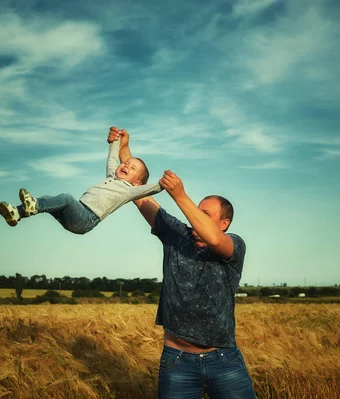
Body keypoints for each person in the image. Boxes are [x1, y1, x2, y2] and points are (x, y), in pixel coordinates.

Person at [108, 129, 256, 399]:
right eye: (195, 211)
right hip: (177, 363)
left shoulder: (233, 245)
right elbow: (138, 193)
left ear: (224, 224)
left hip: (224, 361)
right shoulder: (176, 236)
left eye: (205, 214)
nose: (195, 217)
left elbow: (213, 237)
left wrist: (180, 196)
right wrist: (124, 151)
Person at [0, 127, 163, 235]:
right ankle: (17, 213)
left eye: (132, 168)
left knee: (66, 198)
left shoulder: (129, 190)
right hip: (77, 214)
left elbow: (150, 189)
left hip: (86, 218)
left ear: (137, 183)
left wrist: (163, 183)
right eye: (126, 162)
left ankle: (33, 206)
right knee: (52, 202)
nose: (126, 165)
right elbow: (112, 158)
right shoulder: (112, 176)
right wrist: (116, 141)